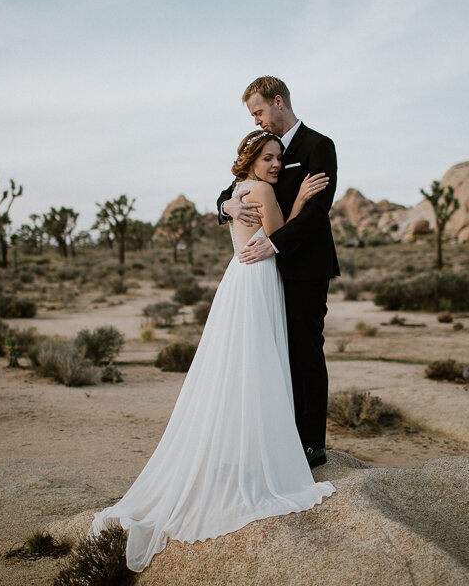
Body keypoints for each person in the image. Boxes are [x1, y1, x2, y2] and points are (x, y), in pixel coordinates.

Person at [90, 130, 335, 573]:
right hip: (259, 279)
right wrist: (299, 198)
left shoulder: (240, 189)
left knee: (236, 365)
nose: (276, 164)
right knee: (259, 364)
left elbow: (247, 219)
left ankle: (242, 446)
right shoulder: (260, 189)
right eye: (268, 157)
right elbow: (281, 236)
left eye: (279, 157)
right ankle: (261, 452)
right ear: (251, 159)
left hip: (238, 281)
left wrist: (231, 204)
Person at [217, 76, 340, 469]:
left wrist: (275, 243)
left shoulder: (319, 146)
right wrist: (226, 208)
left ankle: (311, 445)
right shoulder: (263, 151)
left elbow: (317, 212)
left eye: (259, 111)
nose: (256, 120)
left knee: (305, 350)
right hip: (265, 272)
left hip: (303, 266)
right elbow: (230, 190)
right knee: (272, 353)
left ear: (279, 101)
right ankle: (277, 435)